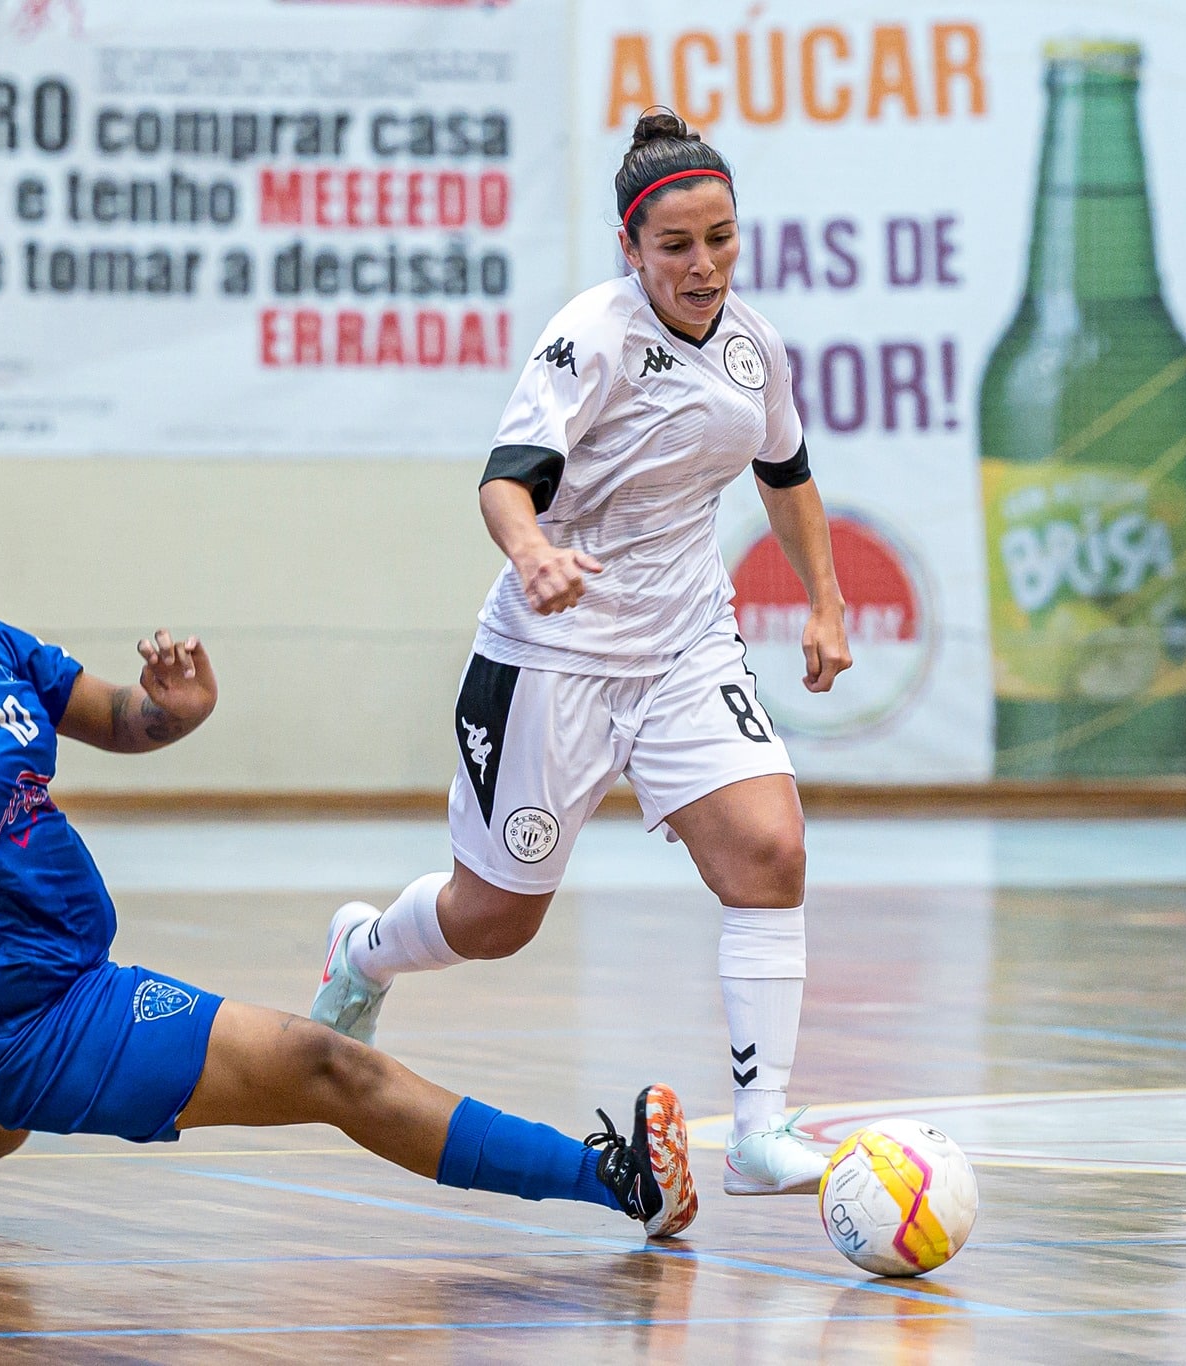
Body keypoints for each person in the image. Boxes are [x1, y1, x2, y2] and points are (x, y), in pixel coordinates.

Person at [0, 499, 699, 1249]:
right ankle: (618, 1183)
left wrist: (170, 713)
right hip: (20, 1015)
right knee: (326, 1065)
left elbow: (111, 716)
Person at [311, 110, 854, 1198]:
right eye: (675, 246)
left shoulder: (753, 348)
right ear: (629, 248)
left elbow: (784, 475)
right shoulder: (590, 338)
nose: (702, 266)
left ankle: (758, 1132)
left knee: (770, 851)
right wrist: (534, 555)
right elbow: (504, 481)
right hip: (552, 657)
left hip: (685, 647)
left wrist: (825, 604)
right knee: (493, 921)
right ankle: (363, 950)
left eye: (720, 239)